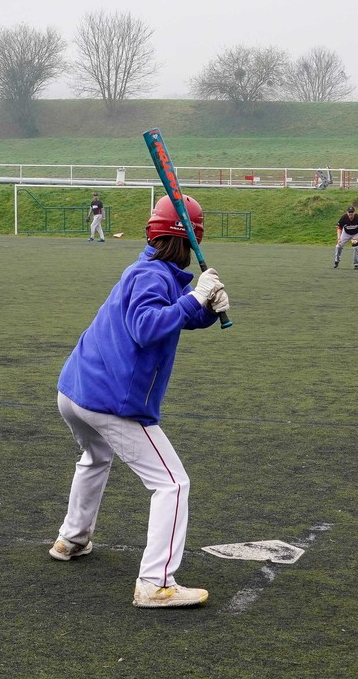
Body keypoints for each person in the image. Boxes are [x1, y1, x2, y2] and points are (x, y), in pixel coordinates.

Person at [49, 194, 230, 608]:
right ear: (189, 240)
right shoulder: (151, 277)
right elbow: (148, 327)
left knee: (95, 459)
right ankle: (155, 583)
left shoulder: (149, 271)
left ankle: (71, 540)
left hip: (75, 391)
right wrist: (193, 299)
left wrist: (203, 308)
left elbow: (171, 316)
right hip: (110, 401)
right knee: (172, 483)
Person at [334, 205, 358, 269]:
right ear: (347, 213)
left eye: (352, 212)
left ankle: (356, 264)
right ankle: (336, 261)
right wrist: (339, 238)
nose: (351, 214)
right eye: (349, 212)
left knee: (356, 247)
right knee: (338, 246)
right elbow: (339, 228)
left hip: (356, 233)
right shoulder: (344, 218)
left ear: (354, 212)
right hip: (346, 233)